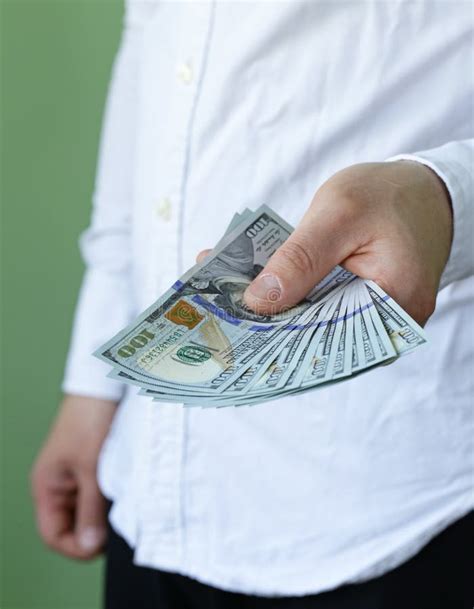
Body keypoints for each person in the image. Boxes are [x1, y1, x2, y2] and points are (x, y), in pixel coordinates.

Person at [31, 2, 473, 608]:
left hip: (391, 492)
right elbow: (153, 34)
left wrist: (451, 200)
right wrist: (94, 388)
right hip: (151, 483)